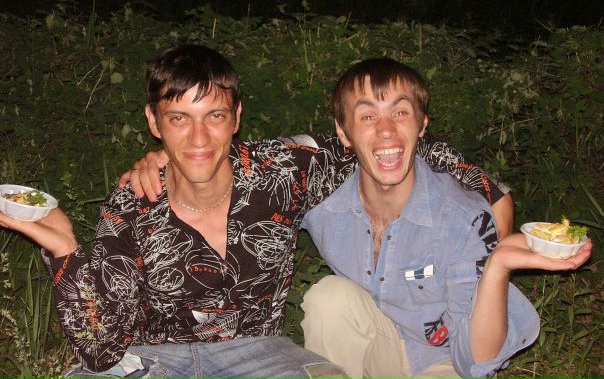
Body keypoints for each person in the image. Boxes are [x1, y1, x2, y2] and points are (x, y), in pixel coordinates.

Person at [0, 45, 508, 378]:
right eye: (179, 119)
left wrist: (494, 206)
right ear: (154, 123)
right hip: (155, 362)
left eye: (214, 116)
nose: (199, 138)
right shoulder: (133, 202)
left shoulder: (282, 171)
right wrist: (64, 250)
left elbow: (383, 142)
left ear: (236, 117)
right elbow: (101, 349)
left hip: (261, 358)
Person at [298, 58, 592, 379]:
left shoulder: (462, 217)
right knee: (329, 299)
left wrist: (497, 267)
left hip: (444, 360)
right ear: (343, 132)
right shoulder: (321, 200)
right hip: (382, 341)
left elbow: (475, 362)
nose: (386, 130)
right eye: (368, 116)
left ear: (422, 125)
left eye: (400, 112)